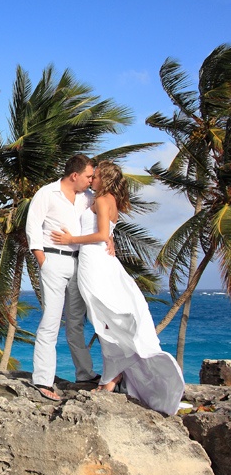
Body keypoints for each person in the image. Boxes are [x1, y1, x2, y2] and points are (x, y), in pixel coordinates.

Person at [52, 160, 185, 414]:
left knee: (104, 320)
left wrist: (71, 239)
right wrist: (109, 237)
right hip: (99, 260)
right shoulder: (107, 199)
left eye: (96, 175)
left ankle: (111, 378)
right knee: (105, 320)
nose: (92, 179)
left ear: (105, 179)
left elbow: (102, 234)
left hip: (94, 262)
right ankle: (113, 375)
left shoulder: (103, 200)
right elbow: (107, 233)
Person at [25, 154, 101, 401]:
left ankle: (85, 375)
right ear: (74, 175)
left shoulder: (87, 197)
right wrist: (43, 260)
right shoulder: (47, 193)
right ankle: (43, 380)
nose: (91, 180)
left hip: (81, 262)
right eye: (88, 176)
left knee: (76, 323)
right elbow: (32, 226)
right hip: (53, 260)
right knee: (51, 320)